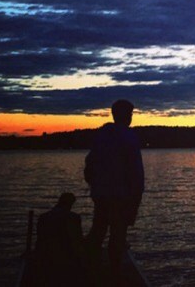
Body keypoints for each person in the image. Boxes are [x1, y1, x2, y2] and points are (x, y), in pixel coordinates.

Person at [84, 99, 145, 280]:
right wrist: (136, 196)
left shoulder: (102, 135)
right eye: (130, 114)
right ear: (124, 115)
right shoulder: (129, 137)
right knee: (118, 235)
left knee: (98, 230)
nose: (131, 117)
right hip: (121, 196)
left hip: (101, 194)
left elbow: (89, 165)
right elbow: (135, 171)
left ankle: (90, 266)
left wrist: (95, 186)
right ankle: (115, 274)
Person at [34, 192, 85, 286]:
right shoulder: (74, 218)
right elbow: (78, 239)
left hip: (47, 254)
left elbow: (40, 239)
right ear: (71, 204)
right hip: (66, 257)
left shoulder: (43, 217)